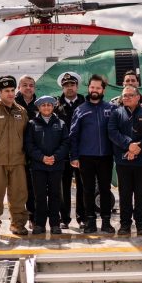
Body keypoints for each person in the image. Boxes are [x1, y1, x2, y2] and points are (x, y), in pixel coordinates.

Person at [0, 75, 30, 237]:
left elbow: (26, 136)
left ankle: (18, 224)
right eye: (6, 91)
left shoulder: (22, 112)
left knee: (19, 195)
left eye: (12, 90)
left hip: (17, 161)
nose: (10, 94)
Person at [108, 86, 142, 235]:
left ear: (138, 97)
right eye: (124, 96)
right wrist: (129, 145)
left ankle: (141, 224)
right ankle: (125, 224)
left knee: (141, 193)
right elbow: (112, 132)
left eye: (130, 95)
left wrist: (139, 147)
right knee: (125, 194)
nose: (127, 98)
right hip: (123, 161)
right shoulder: (116, 113)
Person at [69, 74, 115, 233]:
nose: (94, 90)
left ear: (103, 89)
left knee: (104, 189)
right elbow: (73, 134)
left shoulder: (110, 108)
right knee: (87, 190)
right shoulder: (80, 109)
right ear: (88, 88)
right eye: (92, 87)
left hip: (106, 157)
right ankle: (90, 222)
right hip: (86, 157)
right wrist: (74, 156)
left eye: (98, 87)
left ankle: (106, 222)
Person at [24, 95, 70, 234]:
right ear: (38, 107)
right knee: (40, 196)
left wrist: (55, 157)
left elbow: (66, 143)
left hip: (56, 166)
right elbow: (29, 145)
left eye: (49, 105)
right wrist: (42, 157)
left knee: (56, 195)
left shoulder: (61, 123)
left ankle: (55, 224)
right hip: (38, 166)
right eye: (43, 105)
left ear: (53, 107)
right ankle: (40, 224)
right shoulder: (32, 124)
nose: (46, 107)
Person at [54, 71, 86, 229]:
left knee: (83, 186)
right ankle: (64, 218)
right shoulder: (55, 106)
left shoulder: (85, 103)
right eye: (66, 85)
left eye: (72, 85)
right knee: (63, 187)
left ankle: (82, 217)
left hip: (82, 152)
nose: (69, 88)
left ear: (77, 86)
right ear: (62, 87)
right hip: (63, 153)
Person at [15, 75, 38, 228]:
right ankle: (16, 218)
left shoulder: (39, 104)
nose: (28, 88)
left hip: (34, 152)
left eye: (31, 85)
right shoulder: (12, 104)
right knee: (16, 187)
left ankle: (33, 216)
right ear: (19, 88)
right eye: (25, 85)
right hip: (16, 151)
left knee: (33, 186)